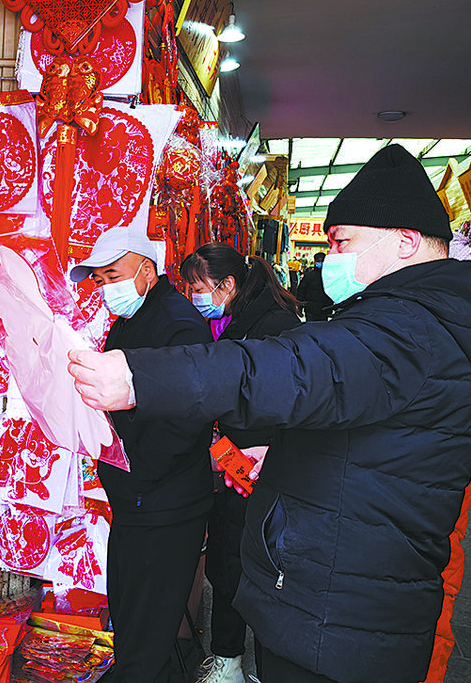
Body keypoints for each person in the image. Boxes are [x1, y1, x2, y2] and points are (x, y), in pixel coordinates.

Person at [67, 145, 471, 683]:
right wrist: (285, 453)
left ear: (404, 242)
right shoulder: (421, 319)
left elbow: (295, 368)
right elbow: (371, 436)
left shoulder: (412, 328)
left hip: (343, 617)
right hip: (344, 599)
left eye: (342, 241)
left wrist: (140, 378)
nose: (332, 256)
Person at [68, 226, 214, 683]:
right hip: (136, 498)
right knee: (133, 615)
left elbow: (189, 417)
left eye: (112, 274)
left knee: (148, 623)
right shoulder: (133, 319)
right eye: (99, 279)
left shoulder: (179, 323)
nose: (105, 286)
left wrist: (137, 473)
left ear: (147, 270)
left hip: (163, 502)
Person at [180, 244, 301, 683]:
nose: (193, 296)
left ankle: (254, 666)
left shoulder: (273, 327)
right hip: (234, 459)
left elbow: (287, 401)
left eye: (197, 288)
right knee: (228, 561)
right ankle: (228, 659)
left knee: (255, 567)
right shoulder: (233, 323)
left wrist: (262, 448)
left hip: (262, 464)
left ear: (227, 285)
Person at [295, 252, 332, 321]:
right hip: (312, 308)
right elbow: (301, 291)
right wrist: (299, 305)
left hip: (323, 308)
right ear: (315, 261)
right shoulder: (309, 275)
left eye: (322, 261)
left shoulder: (329, 276)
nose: (320, 263)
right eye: (318, 261)